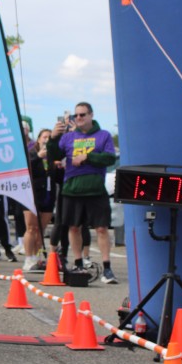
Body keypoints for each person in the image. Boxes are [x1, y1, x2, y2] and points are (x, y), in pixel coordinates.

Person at [48, 102, 118, 284]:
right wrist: (53, 139)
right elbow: (53, 156)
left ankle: (107, 268)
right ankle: (78, 263)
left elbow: (110, 158)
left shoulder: (103, 135)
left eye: (82, 114)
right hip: (72, 189)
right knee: (73, 227)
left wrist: (88, 156)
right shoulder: (68, 137)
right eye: (76, 115)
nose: (78, 118)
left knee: (101, 228)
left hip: (96, 189)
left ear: (91, 115)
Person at [23, 128, 55, 272]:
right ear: (38, 139)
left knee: (41, 229)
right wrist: (37, 156)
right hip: (32, 194)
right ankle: (28, 258)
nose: (47, 140)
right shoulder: (31, 153)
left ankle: (37, 258)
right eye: (44, 137)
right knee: (31, 228)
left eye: (49, 137)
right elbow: (25, 169)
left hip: (48, 194)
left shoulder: (53, 155)